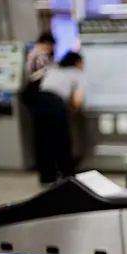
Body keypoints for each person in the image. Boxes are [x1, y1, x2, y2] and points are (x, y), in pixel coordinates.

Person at [34, 51, 84, 185]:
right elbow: (77, 100)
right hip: (56, 104)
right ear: (77, 63)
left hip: (39, 102)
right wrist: (72, 111)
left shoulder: (52, 70)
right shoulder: (76, 74)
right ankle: (68, 177)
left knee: (43, 142)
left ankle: (47, 178)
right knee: (62, 141)